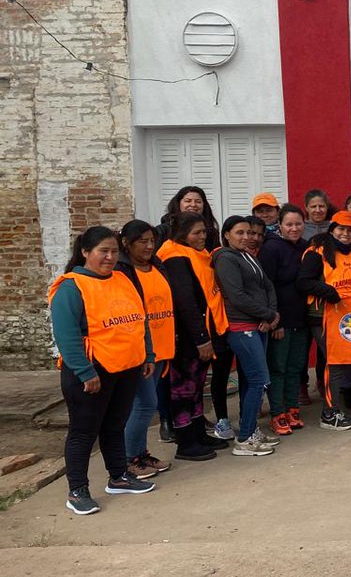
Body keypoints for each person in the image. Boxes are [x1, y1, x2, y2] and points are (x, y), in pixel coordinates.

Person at [49, 227, 157, 515]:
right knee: (83, 432)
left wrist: (147, 353)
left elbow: (139, 318)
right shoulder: (71, 287)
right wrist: (85, 372)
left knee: (114, 426)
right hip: (91, 371)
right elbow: (66, 336)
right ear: (85, 252)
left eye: (113, 251)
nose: (110, 257)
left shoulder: (122, 278)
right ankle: (77, 491)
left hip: (126, 367)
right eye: (102, 251)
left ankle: (119, 476)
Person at [157, 212, 228, 461]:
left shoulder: (199, 254)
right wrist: (201, 338)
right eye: (196, 233)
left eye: (204, 232)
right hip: (187, 336)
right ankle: (185, 441)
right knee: (183, 388)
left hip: (204, 329)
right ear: (182, 234)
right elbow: (185, 301)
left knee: (197, 386)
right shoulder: (175, 256)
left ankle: (198, 432)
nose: (202, 236)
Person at [212, 216, 279, 456]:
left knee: (254, 380)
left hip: (259, 324)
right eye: (239, 232)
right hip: (242, 327)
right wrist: (268, 314)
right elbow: (237, 295)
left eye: (249, 233)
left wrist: (270, 315)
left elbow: (268, 286)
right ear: (227, 235)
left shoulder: (249, 256)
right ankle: (245, 439)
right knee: (258, 379)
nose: (246, 237)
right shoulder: (225, 259)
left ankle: (250, 430)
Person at [116, 220, 175, 480]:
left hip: (161, 346)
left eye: (152, 240)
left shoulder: (156, 265)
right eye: (143, 241)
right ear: (126, 243)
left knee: (146, 404)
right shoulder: (122, 272)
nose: (150, 246)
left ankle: (140, 454)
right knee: (145, 404)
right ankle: (128, 460)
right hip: (140, 349)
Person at [297, 210, 351, 431]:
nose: (345, 234)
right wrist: (327, 291)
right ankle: (329, 413)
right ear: (332, 229)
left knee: (339, 363)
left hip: (344, 316)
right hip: (321, 315)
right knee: (334, 363)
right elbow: (303, 282)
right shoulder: (317, 251)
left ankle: (334, 406)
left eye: (350, 230)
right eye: (341, 229)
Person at [259, 203, 309, 437]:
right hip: (280, 320)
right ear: (280, 225)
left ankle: (292, 408)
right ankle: (277, 413)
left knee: (295, 367)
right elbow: (266, 286)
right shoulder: (271, 249)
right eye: (289, 224)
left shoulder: (306, 247)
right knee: (277, 368)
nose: (294, 228)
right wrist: (274, 321)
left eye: (298, 224)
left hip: (302, 319)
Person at [157, 186, 219, 251]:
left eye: (198, 201)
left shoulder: (211, 232)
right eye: (188, 201)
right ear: (178, 203)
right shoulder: (163, 231)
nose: (193, 205)